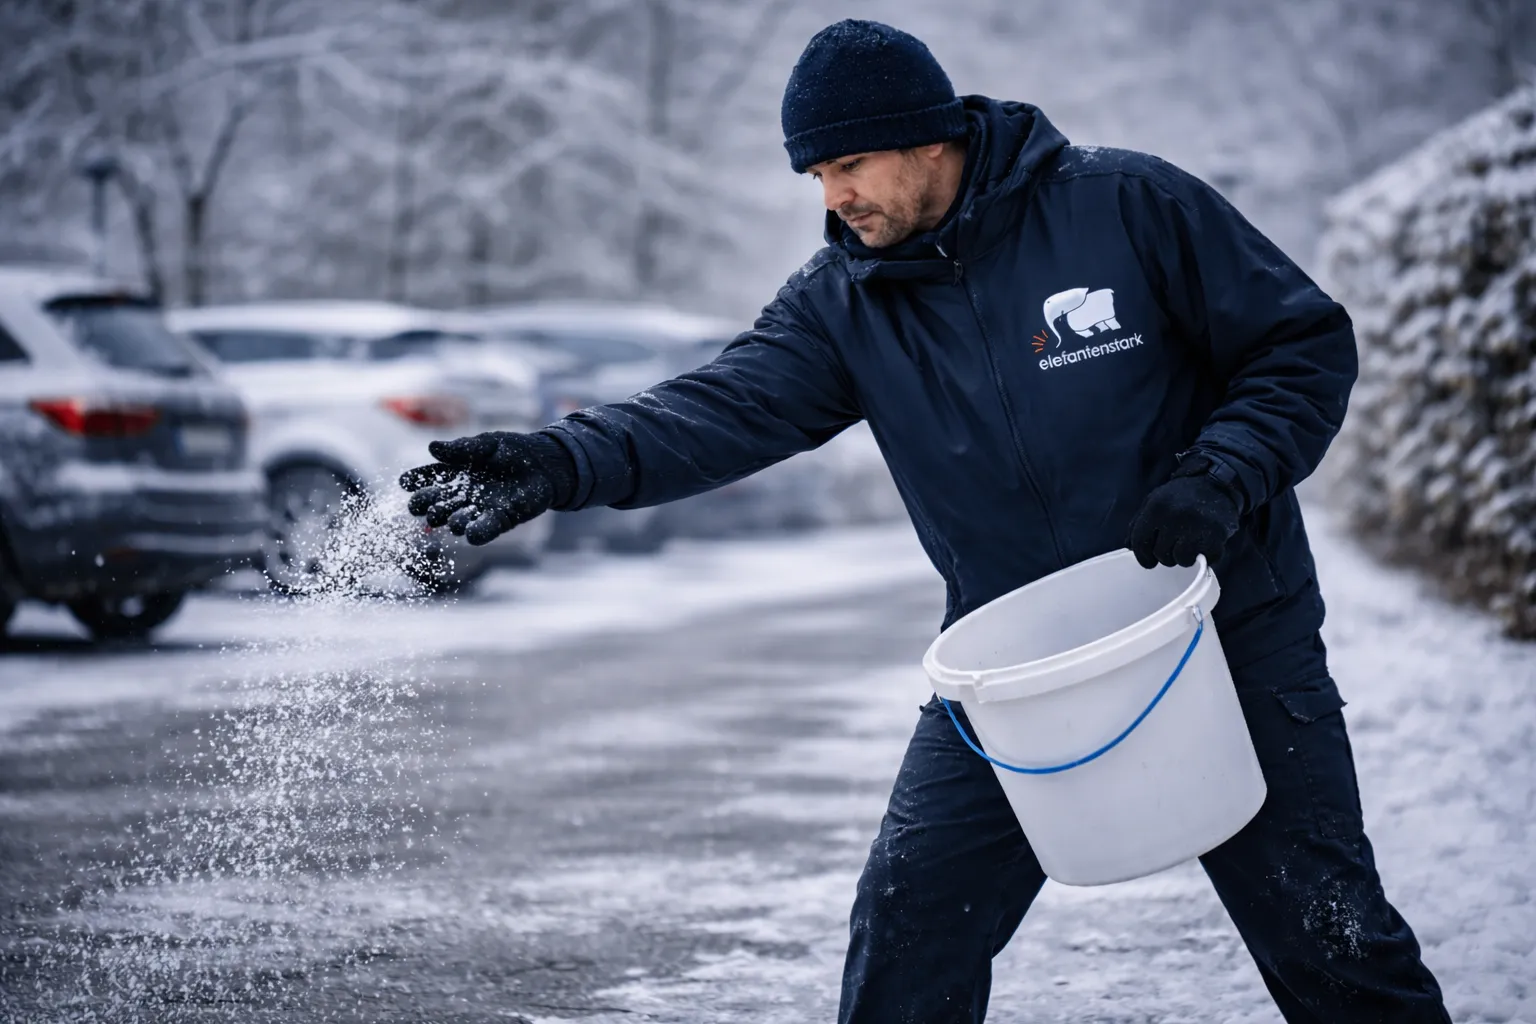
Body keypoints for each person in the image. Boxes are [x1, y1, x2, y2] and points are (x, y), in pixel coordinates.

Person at [400, 19, 1450, 1024]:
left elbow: (1300, 345)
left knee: (1329, 931)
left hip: (1223, 628)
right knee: (911, 918)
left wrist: (1223, 473)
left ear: (927, 135)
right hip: (1021, 661)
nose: (834, 194)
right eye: (815, 174)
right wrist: (558, 459)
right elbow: (719, 408)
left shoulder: (1125, 205)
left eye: (848, 164)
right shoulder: (843, 301)